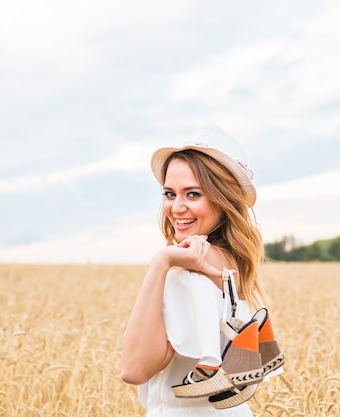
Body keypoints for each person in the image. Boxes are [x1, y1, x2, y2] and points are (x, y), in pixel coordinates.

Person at [121, 123, 283, 416]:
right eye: (169, 193)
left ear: (224, 200)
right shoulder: (234, 264)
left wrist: (161, 262)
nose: (177, 207)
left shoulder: (187, 274)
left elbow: (134, 369)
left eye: (193, 194)